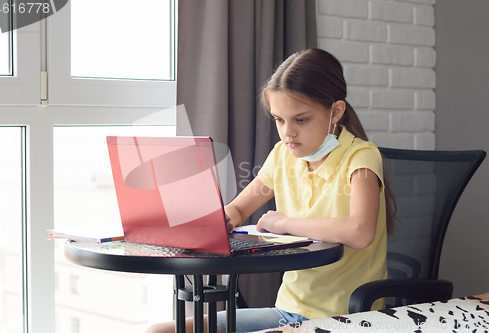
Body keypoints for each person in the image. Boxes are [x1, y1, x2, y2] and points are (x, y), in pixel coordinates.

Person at [147, 48, 396, 333]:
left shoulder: (361, 157)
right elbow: (240, 208)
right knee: (159, 331)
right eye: (279, 119)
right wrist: (221, 218)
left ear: (335, 111)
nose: (287, 132)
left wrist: (284, 223)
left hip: (345, 318)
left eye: (301, 120)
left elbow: (360, 231)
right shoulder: (283, 155)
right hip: (288, 312)